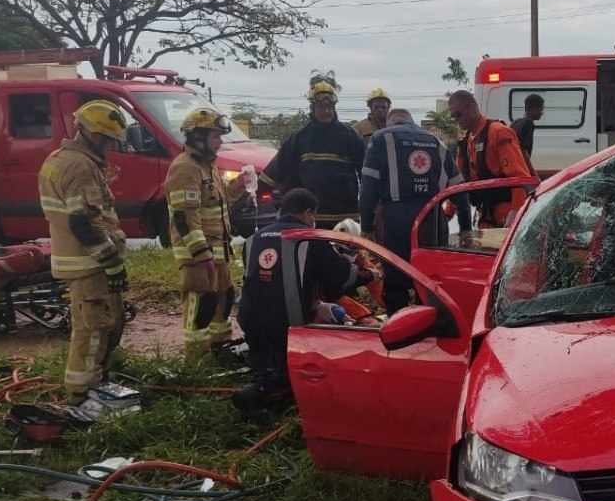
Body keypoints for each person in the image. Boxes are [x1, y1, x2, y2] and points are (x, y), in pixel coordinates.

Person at [233, 188, 373, 417]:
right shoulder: (308, 239)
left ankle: (264, 382)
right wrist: (368, 275)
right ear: (308, 213)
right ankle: (265, 391)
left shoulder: (253, 239)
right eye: (313, 216)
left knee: (267, 363)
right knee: (291, 376)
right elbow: (338, 277)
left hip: (250, 320)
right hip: (288, 325)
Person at [37, 100, 129, 405]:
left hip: (82, 261)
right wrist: (112, 262)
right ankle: (81, 398)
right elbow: (83, 223)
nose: (109, 147)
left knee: (103, 325)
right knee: (92, 332)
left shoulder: (60, 159)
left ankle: (95, 386)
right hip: (90, 263)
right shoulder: (80, 165)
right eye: (107, 140)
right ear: (91, 134)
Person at [165, 108, 251, 361]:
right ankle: (197, 359)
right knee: (200, 305)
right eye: (215, 136)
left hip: (218, 250)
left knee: (223, 300)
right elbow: (184, 217)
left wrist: (238, 187)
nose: (220, 142)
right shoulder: (185, 168)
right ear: (198, 137)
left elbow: (217, 199)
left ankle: (220, 349)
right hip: (197, 255)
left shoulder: (208, 166)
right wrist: (201, 253)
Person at [360, 109, 463, 310]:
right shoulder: (436, 141)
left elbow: (368, 186)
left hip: (396, 220)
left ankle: (399, 330)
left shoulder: (381, 138)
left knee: (396, 278)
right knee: (430, 281)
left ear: (391, 122)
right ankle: (431, 329)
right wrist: (466, 228)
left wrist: (366, 226)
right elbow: (460, 189)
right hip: (433, 219)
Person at [260, 80, 365, 228]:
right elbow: (277, 168)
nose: (327, 111)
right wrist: (256, 192)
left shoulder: (350, 136)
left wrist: (372, 206)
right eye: (322, 107)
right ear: (312, 108)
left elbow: (365, 172)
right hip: (309, 217)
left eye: (330, 107)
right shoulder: (300, 138)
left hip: (345, 219)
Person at [448, 90, 534, 228]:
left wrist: (516, 211)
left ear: (472, 108)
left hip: (506, 214)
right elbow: (458, 183)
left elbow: (519, 176)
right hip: (486, 215)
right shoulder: (466, 143)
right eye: (453, 117)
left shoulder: (498, 133)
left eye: (458, 115)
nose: (457, 120)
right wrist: (447, 213)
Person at [509, 93, 544, 161]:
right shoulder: (528, 123)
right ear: (533, 108)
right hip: (520, 165)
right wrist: (531, 171)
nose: (542, 113)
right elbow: (524, 152)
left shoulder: (516, 122)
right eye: (540, 109)